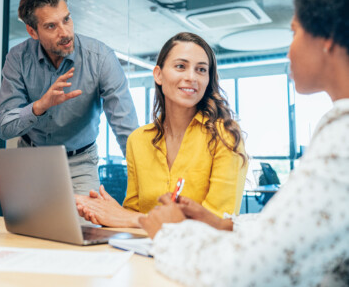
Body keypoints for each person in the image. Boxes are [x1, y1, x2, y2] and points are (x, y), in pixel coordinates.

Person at [139, 0, 349, 285]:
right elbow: (294, 232)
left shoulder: (343, 134)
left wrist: (170, 233)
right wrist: (224, 223)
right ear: (158, 75)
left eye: (294, 31)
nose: (289, 48)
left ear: (325, 36)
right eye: (180, 66)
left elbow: (244, 272)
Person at [76, 32, 248, 227]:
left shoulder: (225, 136)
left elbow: (218, 221)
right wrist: (111, 212)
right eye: (181, 66)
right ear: (158, 74)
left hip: (202, 253)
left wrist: (129, 218)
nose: (191, 77)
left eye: (201, 69)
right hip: (146, 250)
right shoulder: (138, 140)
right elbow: (132, 213)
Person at [0, 0, 138, 195]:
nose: (65, 33)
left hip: (81, 161)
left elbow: (126, 128)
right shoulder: (17, 58)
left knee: (83, 228)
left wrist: (144, 180)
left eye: (66, 19)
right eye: (51, 26)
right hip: (30, 158)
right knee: (26, 228)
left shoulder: (101, 58)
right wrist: (40, 106)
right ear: (33, 32)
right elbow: (3, 127)